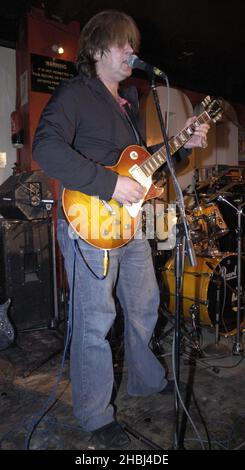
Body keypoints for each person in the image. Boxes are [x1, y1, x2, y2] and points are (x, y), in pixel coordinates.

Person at [32, 10, 210, 449]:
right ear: (95, 50)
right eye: (122, 43)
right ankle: (94, 415)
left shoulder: (128, 103)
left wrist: (182, 146)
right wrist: (112, 184)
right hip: (89, 222)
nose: (133, 51)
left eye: (134, 43)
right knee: (96, 320)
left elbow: (142, 166)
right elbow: (46, 149)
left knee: (146, 302)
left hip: (128, 225)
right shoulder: (76, 93)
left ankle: (145, 380)